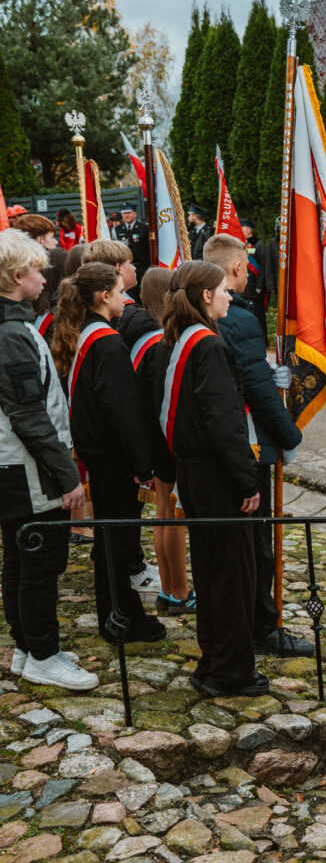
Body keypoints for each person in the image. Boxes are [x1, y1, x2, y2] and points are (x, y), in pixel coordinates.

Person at [154, 260, 264, 697]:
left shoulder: (182, 339)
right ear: (204, 296)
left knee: (211, 570)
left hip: (193, 472)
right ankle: (230, 671)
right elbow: (224, 422)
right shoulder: (210, 345)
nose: (230, 296)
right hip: (217, 477)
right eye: (223, 290)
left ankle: (212, 660)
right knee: (232, 576)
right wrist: (247, 480)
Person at [203, 233, 313, 657]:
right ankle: (262, 625)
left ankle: (237, 623)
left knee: (231, 548)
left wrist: (264, 368)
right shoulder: (239, 318)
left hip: (213, 449)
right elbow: (256, 390)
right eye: (245, 267)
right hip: (246, 444)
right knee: (256, 546)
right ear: (235, 268)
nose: (248, 274)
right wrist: (289, 436)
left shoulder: (197, 313)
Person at [0, 230, 98, 691]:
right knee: (38, 564)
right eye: (38, 270)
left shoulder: (14, 328)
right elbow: (28, 415)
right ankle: (42, 653)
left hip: (19, 466)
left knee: (21, 560)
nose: (44, 278)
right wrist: (67, 476)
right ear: (17, 276)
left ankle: (28, 648)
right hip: (27, 471)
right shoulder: (12, 335)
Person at [51, 261, 165, 645]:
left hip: (98, 454)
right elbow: (123, 410)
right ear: (104, 296)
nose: (124, 298)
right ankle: (119, 617)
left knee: (111, 539)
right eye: (120, 291)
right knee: (118, 541)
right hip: (114, 459)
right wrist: (142, 464)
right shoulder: (108, 343)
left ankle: (121, 612)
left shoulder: (84, 333)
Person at [118, 266, 195, 613]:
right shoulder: (158, 341)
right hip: (164, 434)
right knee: (172, 513)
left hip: (152, 435)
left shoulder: (140, 332)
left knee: (164, 512)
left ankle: (169, 587)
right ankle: (178, 590)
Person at [239, 218, 269, 335]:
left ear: (248, 229)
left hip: (255, 289)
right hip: (244, 289)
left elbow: (263, 267)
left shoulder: (259, 245)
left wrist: (259, 286)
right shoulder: (241, 244)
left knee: (257, 316)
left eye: (241, 227)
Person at [112, 203, 150, 289]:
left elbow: (149, 249)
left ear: (135, 214)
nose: (126, 215)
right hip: (126, 268)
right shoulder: (117, 229)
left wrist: (149, 266)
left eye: (129, 213)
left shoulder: (144, 227)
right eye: (124, 213)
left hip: (142, 267)